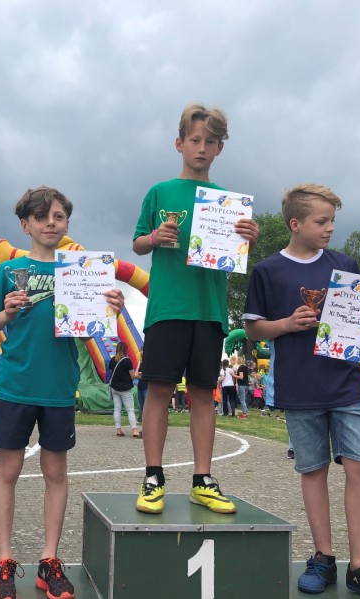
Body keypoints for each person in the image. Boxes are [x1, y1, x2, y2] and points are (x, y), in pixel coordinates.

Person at [243, 183, 360, 597]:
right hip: (300, 387)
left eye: (333, 220)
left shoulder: (345, 264)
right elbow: (253, 328)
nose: (330, 227)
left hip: (347, 383)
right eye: (322, 221)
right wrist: (286, 324)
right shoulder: (268, 271)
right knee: (313, 470)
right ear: (295, 224)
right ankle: (323, 558)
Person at [0, 186, 124, 599]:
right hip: (16, 384)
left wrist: (110, 308)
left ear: (66, 224)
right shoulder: (11, 270)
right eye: (41, 216)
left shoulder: (81, 272)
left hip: (59, 387)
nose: (50, 222)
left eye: (58, 216)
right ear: (25, 225)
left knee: (56, 474)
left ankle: (50, 559)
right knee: (7, 471)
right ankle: (3, 560)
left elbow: (93, 328)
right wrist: (5, 311)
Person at [132, 103, 258, 517]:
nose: (202, 148)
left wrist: (248, 238)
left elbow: (234, 253)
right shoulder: (159, 192)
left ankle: (202, 479)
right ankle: (153, 476)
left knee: (204, 393)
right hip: (168, 307)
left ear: (220, 148)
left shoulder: (227, 201)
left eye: (211, 142)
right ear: (179, 143)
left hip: (209, 309)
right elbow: (138, 243)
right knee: (159, 390)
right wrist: (155, 237)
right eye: (195, 140)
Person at [108, 341, 140, 438]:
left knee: (117, 409)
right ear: (126, 350)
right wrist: (139, 376)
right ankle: (134, 431)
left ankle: (118, 430)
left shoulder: (112, 360)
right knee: (130, 410)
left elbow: (111, 373)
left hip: (114, 388)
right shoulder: (127, 361)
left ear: (116, 349)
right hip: (125, 389)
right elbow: (132, 376)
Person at [135, 350, 147, 422]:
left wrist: (141, 374)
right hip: (141, 385)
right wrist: (141, 374)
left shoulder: (148, 364)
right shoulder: (140, 363)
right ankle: (140, 417)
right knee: (141, 403)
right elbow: (136, 374)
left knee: (145, 403)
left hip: (146, 385)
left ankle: (145, 418)